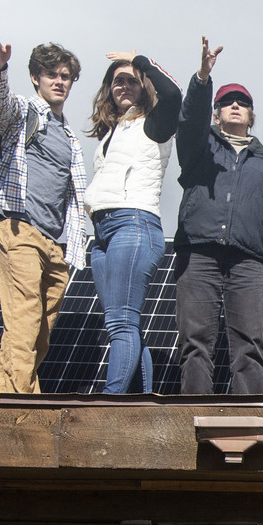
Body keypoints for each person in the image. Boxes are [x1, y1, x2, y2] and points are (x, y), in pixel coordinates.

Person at [173, 37, 263, 394]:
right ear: (216, 113)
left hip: (250, 262)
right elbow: (188, 119)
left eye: (243, 102)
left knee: (249, 344)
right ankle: (194, 415)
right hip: (199, 253)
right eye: (227, 101)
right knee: (196, 341)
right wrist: (202, 78)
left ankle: (250, 420)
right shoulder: (199, 147)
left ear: (251, 115)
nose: (235, 106)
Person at [0, 34, 91, 393]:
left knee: (38, 332)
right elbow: (0, 105)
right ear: (36, 78)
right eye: (52, 75)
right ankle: (19, 405)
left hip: (57, 244)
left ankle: (16, 394)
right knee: (25, 319)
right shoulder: (24, 113)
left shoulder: (70, 136)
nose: (60, 82)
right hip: (20, 229)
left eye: (66, 77)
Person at [86, 50, 181, 394]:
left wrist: (140, 60)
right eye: (117, 81)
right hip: (102, 234)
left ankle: (111, 401)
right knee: (124, 325)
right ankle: (139, 401)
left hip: (134, 224)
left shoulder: (156, 123)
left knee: (121, 321)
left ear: (144, 85)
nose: (124, 85)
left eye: (132, 79)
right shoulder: (111, 133)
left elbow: (173, 94)